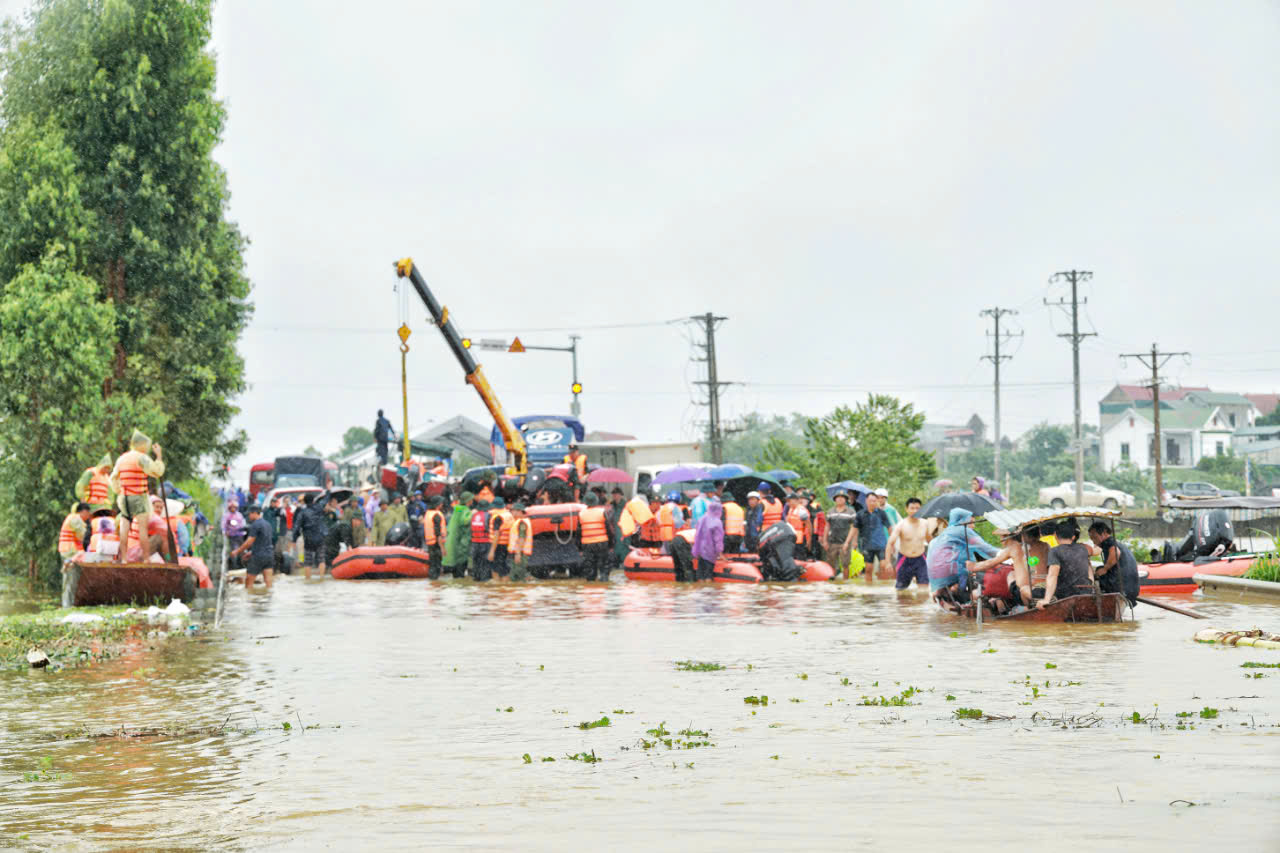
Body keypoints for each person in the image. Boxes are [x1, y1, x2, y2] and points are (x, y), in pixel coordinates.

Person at [109, 430, 165, 562]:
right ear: (141, 445)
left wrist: (118, 490)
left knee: (124, 527)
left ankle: (123, 559)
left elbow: (113, 477)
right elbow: (157, 472)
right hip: (138, 496)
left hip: (124, 497)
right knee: (142, 530)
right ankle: (146, 559)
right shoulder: (141, 457)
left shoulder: (121, 458)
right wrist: (159, 457)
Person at [926, 508, 998, 606]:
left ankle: (950, 591)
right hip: (957, 577)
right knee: (987, 575)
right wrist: (1005, 556)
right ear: (963, 521)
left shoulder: (942, 536)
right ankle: (974, 598)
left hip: (939, 582)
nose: (974, 526)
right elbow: (989, 550)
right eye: (971, 522)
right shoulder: (962, 530)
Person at [967, 528, 1028, 613]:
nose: (1000, 540)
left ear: (1006, 537)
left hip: (1016, 589)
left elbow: (990, 563)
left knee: (979, 593)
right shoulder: (1027, 547)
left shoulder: (1009, 549)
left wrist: (973, 567)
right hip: (1021, 586)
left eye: (1001, 537)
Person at [1041, 521, 1100, 607]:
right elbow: (1096, 551)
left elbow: (1052, 575)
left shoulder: (1055, 551)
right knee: (1088, 563)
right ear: (1073, 537)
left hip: (1065, 594)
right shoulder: (1083, 548)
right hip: (1085, 591)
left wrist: (1047, 599)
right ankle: (1091, 588)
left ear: (1055, 535)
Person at [1088, 521, 1140, 605]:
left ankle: (1098, 603)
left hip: (1121, 589)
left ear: (1104, 533)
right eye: (1091, 539)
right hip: (1132, 590)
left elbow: (1116, 552)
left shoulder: (1109, 542)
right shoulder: (1115, 543)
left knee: (1098, 572)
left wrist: (1105, 569)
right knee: (1100, 570)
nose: (1094, 541)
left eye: (1094, 537)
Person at [886, 497, 930, 590]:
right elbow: (890, 543)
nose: (915, 511)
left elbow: (931, 541)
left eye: (917, 508)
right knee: (901, 590)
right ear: (907, 509)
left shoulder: (925, 523)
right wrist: (888, 563)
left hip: (920, 559)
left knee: (924, 589)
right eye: (912, 508)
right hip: (905, 560)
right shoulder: (901, 525)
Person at [232, 504, 275, 593]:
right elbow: (265, 541)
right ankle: (269, 603)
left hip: (258, 557)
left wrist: (237, 551)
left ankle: (251, 604)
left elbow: (249, 541)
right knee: (269, 583)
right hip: (269, 555)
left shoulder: (255, 525)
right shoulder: (267, 524)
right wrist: (251, 552)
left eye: (249, 514)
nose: (249, 516)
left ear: (255, 513)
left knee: (248, 584)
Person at [855, 492, 891, 581]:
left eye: (874, 501)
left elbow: (889, 528)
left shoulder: (881, 513)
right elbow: (854, 528)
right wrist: (853, 541)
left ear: (877, 502)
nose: (872, 503)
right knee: (868, 569)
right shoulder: (860, 514)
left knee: (883, 566)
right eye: (870, 501)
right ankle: (869, 590)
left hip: (881, 544)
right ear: (866, 501)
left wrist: (891, 543)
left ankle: (884, 588)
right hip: (867, 545)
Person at [577, 493, 614, 581]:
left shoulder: (581, 514)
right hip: (602, 544)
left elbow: (578, 533)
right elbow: (609, 530)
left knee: (590, 570)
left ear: (585, 503)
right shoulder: (602, 512)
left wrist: (579, 549)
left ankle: (591, 586)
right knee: (604, 568)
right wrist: (611, 545)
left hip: (587, 545)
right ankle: (604, 582)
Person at [821, 492, 858, 578]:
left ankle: (845, 583)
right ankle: (832, 584)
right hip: (832, 542)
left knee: (845, 564)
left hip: (845, 542)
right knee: (831, 564)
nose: (840, 499)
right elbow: (827, 526)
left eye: (842, 497)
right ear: (835, 500)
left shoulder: (851, 511)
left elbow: (854, 527)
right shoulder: (830, 511)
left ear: (846, 500)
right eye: (838, 497)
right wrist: (824, 541)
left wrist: (854, 541)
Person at [292, 494, 328, 579]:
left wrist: (294, 539)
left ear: (304, 501)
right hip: (320, 537)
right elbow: (326, 500)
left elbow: (297, 527)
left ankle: (308, 579)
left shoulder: (302, 512)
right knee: (321, 559)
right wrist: (328, 491)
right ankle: (322, 578)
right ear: (313, 500)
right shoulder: (319, 508)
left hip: (308, 539)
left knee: (308, 561)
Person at [692, 498, 724, 581]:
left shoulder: (702, 519)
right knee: (708, 576)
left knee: (700, 576)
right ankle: (708, 591)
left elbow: (697, 535)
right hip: (710, 553)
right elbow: (718, 539)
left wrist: (695, 551)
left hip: (700, 552)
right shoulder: (717, 522)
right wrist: (720, 553)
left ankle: (701, 592)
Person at [444, 491, 474, 579]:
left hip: (454, 541)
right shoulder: (465, 509)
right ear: (468, 501)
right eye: (471, 500)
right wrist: (473, 514)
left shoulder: (457, 508)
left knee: (456, 563)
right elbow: (464, 521)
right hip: (462, 542)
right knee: (462, 563)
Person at [422, 496, 448, 579]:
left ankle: (432, 584)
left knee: (432, 565)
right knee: (436, 566)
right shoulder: (436, 515)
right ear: (438, 504)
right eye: (441, 503)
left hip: (430, 544)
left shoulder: (428, 513)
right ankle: (435, 584)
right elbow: (438, 534)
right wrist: (443, 548)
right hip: (436, 544)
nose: (442, 504)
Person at [487, 497, 513, 579]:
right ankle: (504, 587)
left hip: (498, 545)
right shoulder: (508, 514)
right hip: (507, 544)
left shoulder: (497, 517)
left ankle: (497, 587)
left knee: (495, 569)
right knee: (503, 567)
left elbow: (496, 535)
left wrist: (491, 551)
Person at [469, 499, 494, 581]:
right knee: (485, 567)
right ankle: (484, 587)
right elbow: (489, 529)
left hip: (474, 544)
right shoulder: (489, 516)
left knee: (476, 566)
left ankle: (477, 584)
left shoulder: (473, 516)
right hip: (485, 544)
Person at [508, 503, 534, 581]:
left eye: (513, 511)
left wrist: (518, 553)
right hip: (520, 553)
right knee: (518, 576)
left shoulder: (522, 523)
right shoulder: (522, 521)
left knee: (517, 577)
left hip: (521, 553)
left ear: (519, 511)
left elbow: (522, 538)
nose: (511, 513)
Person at [785, 493, 810, 559]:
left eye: (789, 501)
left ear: (795, 500)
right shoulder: (791, 509)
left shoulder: (801, 511)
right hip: (792, 537)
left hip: (800, 538)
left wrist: (809, 539)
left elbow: (809, 525)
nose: (788, 503)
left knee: (800, 556)